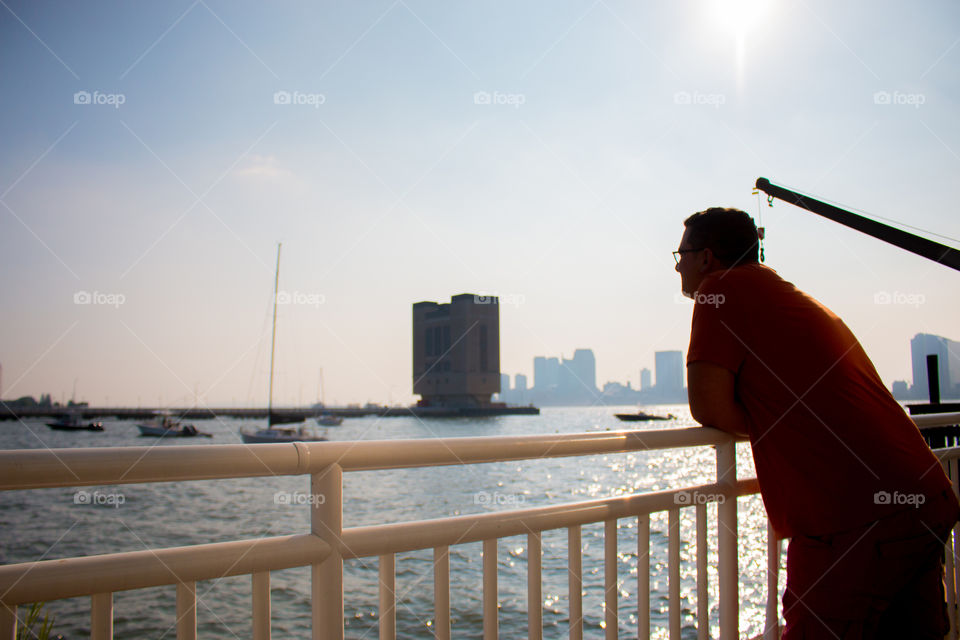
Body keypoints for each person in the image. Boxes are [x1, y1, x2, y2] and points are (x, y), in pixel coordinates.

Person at [675, 207, 960, 638]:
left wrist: (779, 423)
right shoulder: (785, 294)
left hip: (854, 518)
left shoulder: (721, 291)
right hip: (923, 494)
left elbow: (708, 407)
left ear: (707, 258)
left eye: (681, 254)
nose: (677, 265)